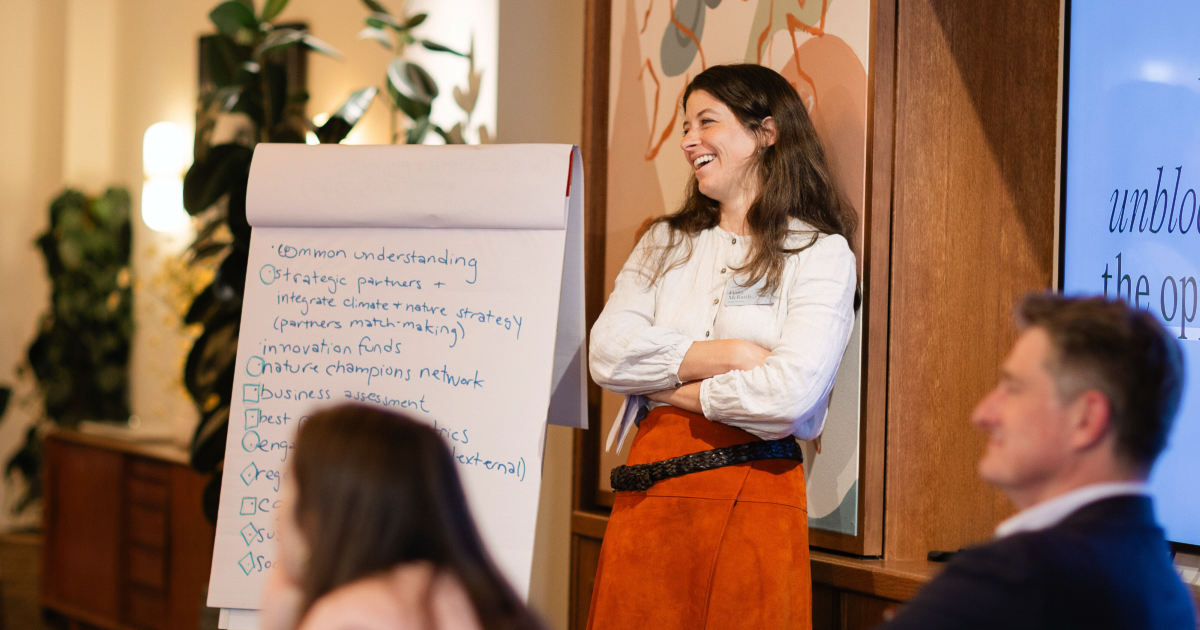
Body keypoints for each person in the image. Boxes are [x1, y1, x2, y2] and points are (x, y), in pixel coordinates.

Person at [587, 64, 858, 629]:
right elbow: (608, 354)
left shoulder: (820, 254)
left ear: (766, 132)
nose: (689, 140)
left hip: (756, 495)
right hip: (650, 493)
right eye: (686, 125)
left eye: (706, 121)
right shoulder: (665, 242)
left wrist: (663, 386)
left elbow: (789, 397)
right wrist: (734, 355)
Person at [880, 294, 1197, 630]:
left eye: (1012, 389)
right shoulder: (1169, 593)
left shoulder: (1015, 578)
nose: (982, 414)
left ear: (1086, 420)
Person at [259, 403, 545, 630]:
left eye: (287, 481)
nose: (276, 507)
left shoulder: (352, 619)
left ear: (319, 512)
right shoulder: (480, 602)